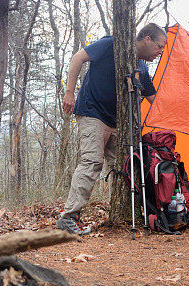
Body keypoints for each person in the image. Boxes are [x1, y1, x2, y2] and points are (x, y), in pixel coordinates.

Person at [55, 23, 167, 235]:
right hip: (92, 112)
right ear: (147, 39)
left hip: (119, 123)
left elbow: (155, 99)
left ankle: (119, 215)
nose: (160, 52)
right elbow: (78, 57)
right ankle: (68, 217)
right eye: (160, 46)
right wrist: (69, 92)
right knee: (92, 162)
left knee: (124, 166)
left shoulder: (142, 68)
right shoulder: (111, 44)